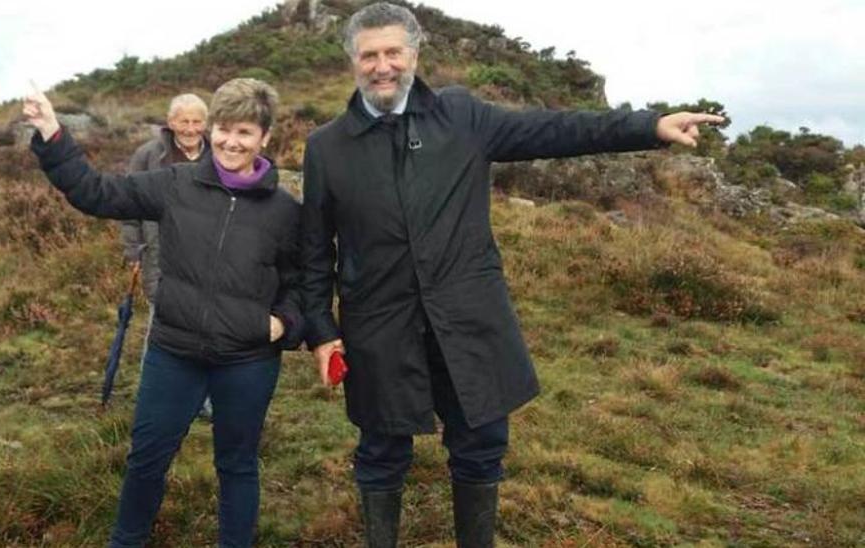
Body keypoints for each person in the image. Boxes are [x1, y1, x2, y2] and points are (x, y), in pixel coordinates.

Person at [297, 3, 725, 547]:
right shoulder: (326, 147)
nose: (382, 66)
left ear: (414, 54)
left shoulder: (463, 117)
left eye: (392, 53)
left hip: (468, 318)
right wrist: (321, 329)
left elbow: (556, 129)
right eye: (369, 55)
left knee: (479, 446)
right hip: (379, 324)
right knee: (381, 453)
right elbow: (314, 251)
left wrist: (649, 126)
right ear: (353, 62)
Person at [23, 77, 303, 548]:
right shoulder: (176, 183)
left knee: (236, 464)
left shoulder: (284, 210)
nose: (231, 142)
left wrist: (283, 324)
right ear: (211, 130)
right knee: (147, 458)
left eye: (245, 133)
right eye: (224, 130)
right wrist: (53, 134)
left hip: (247, 360)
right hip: (174, 352)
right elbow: (97, 192)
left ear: (265, 138)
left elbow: (302, 282)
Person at [122, 93, 216, 420]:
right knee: (160, 327)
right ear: (171, 121)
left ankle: (203, 400)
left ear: (206, 124)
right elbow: (129, 206)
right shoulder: (148, 156)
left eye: (197, 121)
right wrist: (132, 251)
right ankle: (156, 398)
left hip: (211, 261)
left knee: (207, 330)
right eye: (184, 121)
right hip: (161, 258)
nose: (190, 128)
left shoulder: (220, 155)